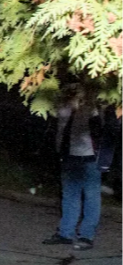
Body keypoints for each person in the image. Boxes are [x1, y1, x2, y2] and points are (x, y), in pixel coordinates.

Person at [43, 84, 101, 250]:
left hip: (89, 156)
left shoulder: (91, 106)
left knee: (91, 196)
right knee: (70, 195)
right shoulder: (63, 105)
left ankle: (86, 236)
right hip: (68, 155)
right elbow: (58, 127)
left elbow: (100, 129)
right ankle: (65, 233)